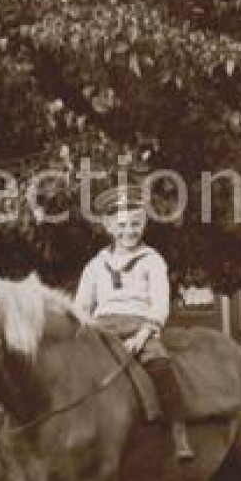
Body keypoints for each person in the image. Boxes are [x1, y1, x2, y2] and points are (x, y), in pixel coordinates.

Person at [74, 184, 193, 461]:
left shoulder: (152, 261)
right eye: (123, 225)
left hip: (139, 325)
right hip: (101, 328)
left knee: (160, 366)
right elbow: (81, 306)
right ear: (109, 226)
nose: (130, 231)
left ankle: (178, 432)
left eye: (137, 224)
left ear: (145, 225)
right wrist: (83, 331)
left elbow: (160, 303)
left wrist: (144, 334)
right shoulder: (95, 265)